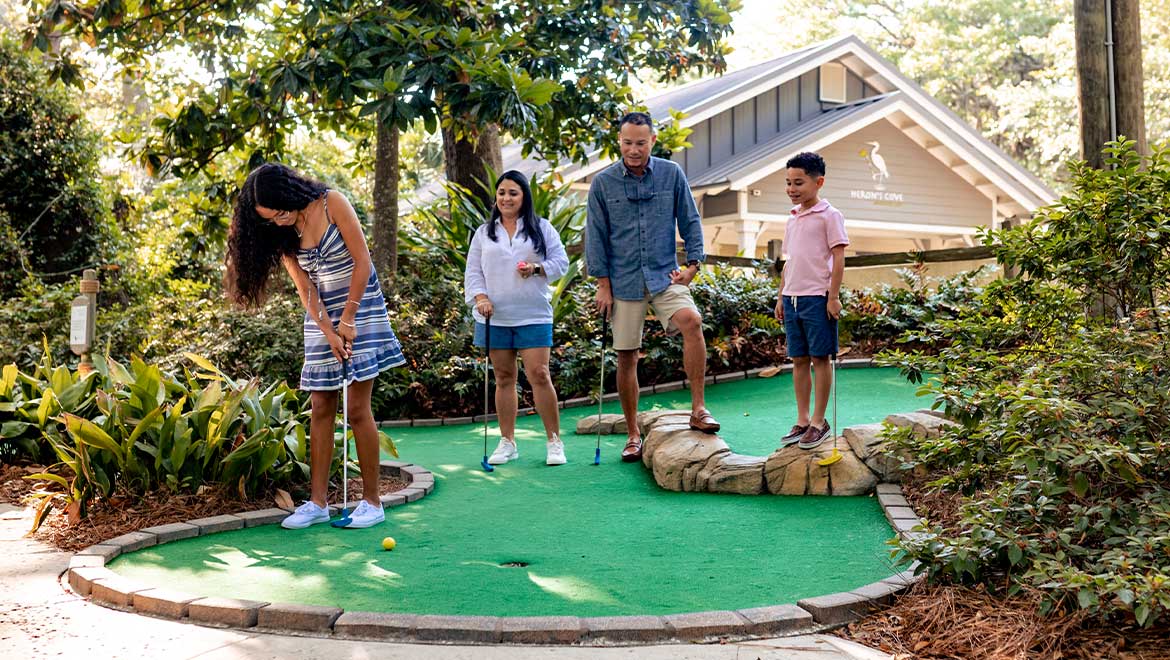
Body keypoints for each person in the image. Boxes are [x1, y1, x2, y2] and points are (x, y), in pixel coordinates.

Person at [225, 163, 405, 529]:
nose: (277, 220)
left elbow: (363, 262)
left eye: (279, 212)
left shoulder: (331, 203)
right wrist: (328, 329)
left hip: (361, 309)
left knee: (357, 409)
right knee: (320, 406)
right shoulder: (284, 234)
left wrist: (348, 319)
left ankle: (372, 502)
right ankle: (318, 502)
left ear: (289, 194)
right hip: (322, 319)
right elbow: (306, 289)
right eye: (269, 218)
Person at [586, 111, 720, 463]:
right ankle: (632, 434)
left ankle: (699, 409)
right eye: (627, 142)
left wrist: (693, 265)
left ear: (652, 141)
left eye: (640, 143)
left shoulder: (672, 174)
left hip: (665, 275)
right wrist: (603, 284)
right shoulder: (603, 183)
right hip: (622, 280)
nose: (634, 149)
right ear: (619, 141)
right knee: (627, 354)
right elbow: (595, 237)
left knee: (691, 321)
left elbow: (690, 218)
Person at [464, 170, 570, 466]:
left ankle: (554, 441)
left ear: (524, 197)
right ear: (496, 198)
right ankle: (508, 442)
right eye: (501, 193)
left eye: (513, 193)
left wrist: (536, 269)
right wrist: (480, 298)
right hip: (495, 316)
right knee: (504, 378)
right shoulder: (484, 233)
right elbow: (473, 272)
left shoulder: (542, 228)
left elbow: (562, 263)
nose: (506, 198)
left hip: (533, 313)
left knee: (539, 374)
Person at [773, 152, 849, 450]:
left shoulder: (830, 215)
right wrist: (781, 296)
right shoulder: (792, 219)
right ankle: (802, 419)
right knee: (799, 360)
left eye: (799, 183)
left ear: (819, 182)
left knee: (820, 358)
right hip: (792, 299)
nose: (792, 189)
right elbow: (790, 262)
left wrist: (833, 297)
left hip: (817, 298)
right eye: (788, 183)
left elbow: (839, 257)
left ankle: (819, 421)